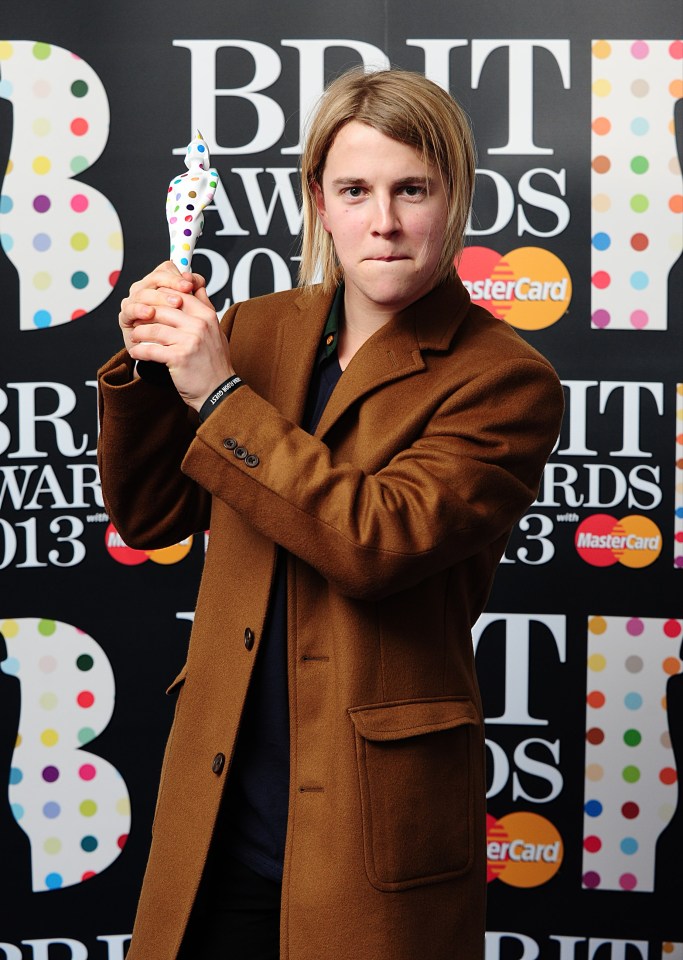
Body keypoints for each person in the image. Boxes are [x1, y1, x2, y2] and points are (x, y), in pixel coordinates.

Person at [98, 67, 564, 960]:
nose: (381, 221)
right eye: (354, 190)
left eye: (410, 189)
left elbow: (375, 541)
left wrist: (219, 392)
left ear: (453, 197)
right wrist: (150, 373)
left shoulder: (504, 379)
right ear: (319, 201)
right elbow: (151, 517)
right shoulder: (261, 326)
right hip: (217, 811)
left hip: (370, 834)